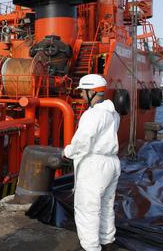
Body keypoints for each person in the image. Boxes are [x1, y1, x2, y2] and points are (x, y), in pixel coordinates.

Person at [63, 74, 121, 251]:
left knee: (87, 208)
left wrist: (67, 152)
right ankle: (107, 241)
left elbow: (82, 141)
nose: (81, 96)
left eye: (83, 92)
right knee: (106, 205)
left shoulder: (92, 115)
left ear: (91, 92)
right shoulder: (113, 113)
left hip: (94, 165)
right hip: (112, 163)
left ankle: (91, 247)